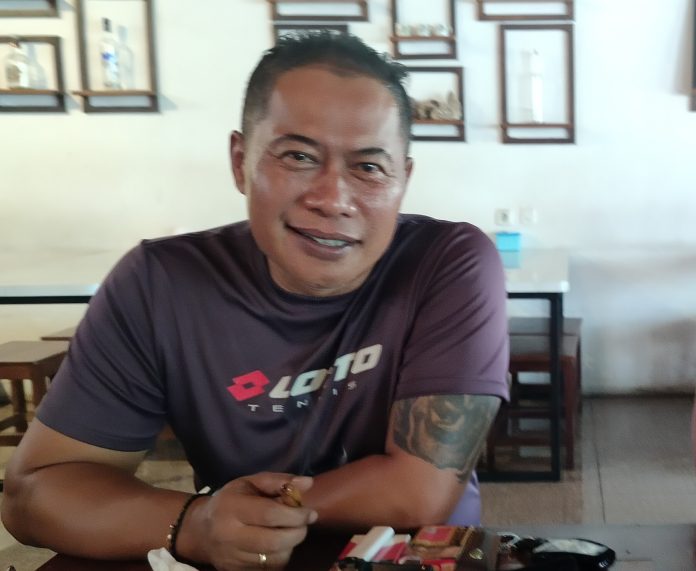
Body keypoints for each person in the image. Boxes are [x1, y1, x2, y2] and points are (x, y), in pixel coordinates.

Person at [1, 32, 509, 570]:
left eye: (367, 167)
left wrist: (239, 514)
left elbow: (418, 491)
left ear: (403, 179)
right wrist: (197, 523)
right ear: (240, 160)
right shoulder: (161, 284)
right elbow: (35, 494)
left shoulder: (446, 262)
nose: (332, 199)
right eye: (298, 156)